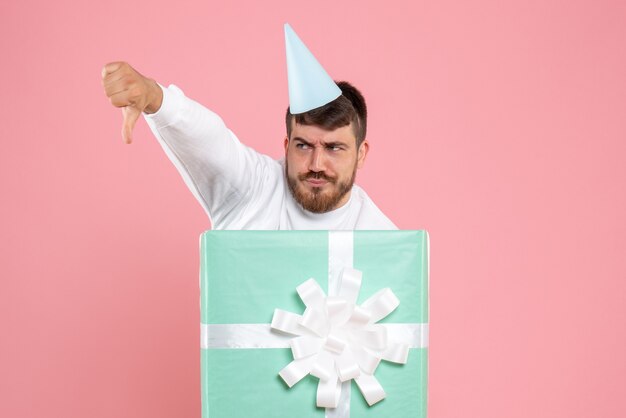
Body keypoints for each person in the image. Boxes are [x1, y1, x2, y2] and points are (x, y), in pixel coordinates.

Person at [101, 61, 397, 230]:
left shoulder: (385, 240)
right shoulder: (253, 188)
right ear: (286, 146)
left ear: (361, 155)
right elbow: (211, 139)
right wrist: (154, 97)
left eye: (334, 148)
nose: (317, 165)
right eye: (304, 146)